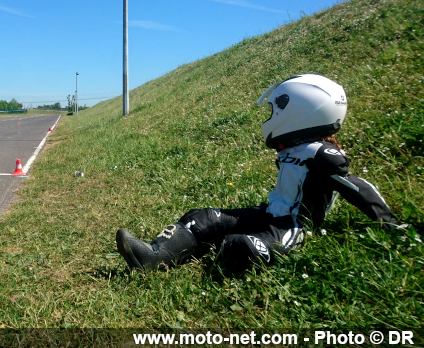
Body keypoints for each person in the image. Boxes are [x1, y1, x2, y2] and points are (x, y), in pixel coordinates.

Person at [116, 74, 404, 273]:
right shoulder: (295, 148)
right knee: (201, 217)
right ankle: (153, 256)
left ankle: (238, 253)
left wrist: (389, 223)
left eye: (274, 110)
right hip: (269, 213)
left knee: (246, 246)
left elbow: (355, 186)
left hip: (293, 225)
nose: (270, 118)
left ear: (300, 113)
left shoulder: (322, 155)